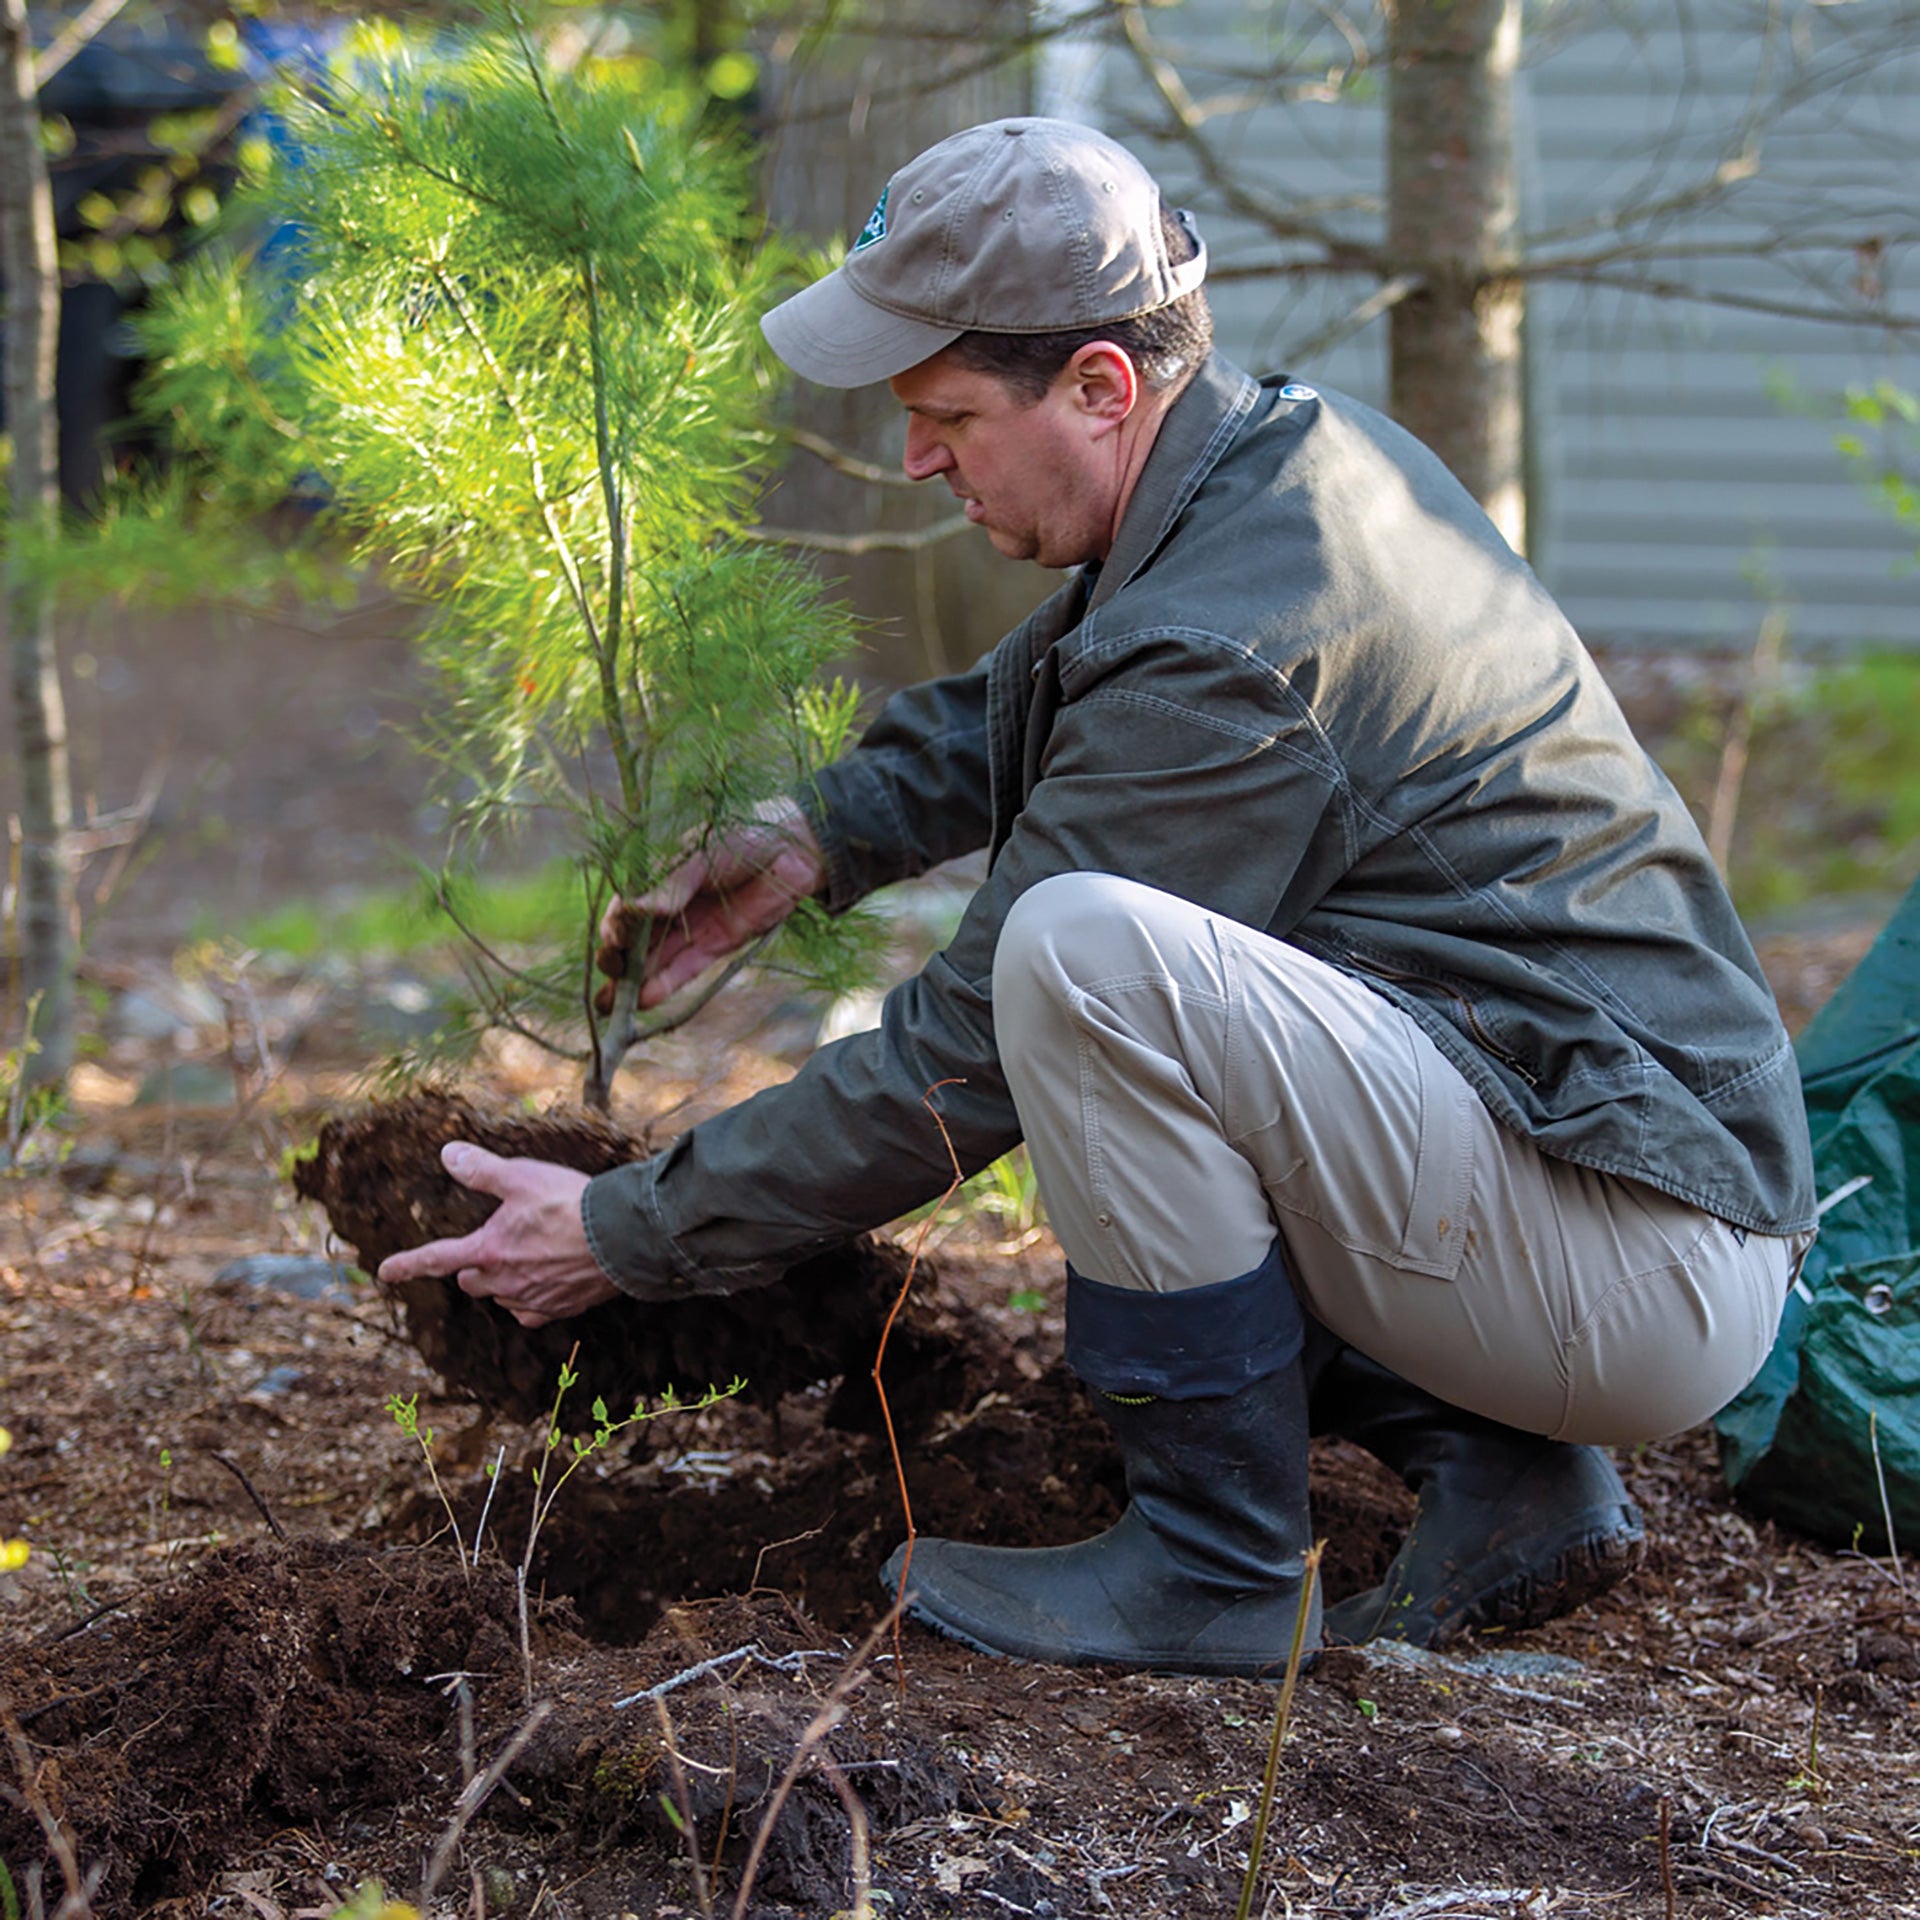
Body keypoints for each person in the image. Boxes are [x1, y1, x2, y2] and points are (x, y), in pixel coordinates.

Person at [379, 118, 1818, 1677]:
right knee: (1156, 980)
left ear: (1099, 387)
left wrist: (625, 1229)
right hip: (1601, 1175)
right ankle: (1509, 1472)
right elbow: (1046, 690)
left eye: (945, 417)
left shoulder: (1226, 645)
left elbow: (962, 1063)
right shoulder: (1280, 469)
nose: (918, 459)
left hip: (1640, 1254)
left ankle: (1215, 1569)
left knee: (1084, 965)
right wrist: (817, 836)